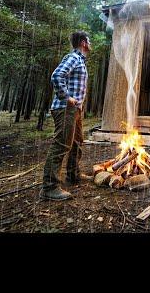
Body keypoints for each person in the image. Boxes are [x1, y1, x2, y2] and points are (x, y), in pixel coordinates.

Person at [40, 31, 94, 201]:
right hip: (65, 108)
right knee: (61, 145)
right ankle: (49, 188)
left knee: (77, 142)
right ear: (84, 42)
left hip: (75, 109)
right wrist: (67, 98)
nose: (90, 43)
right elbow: (56, 76)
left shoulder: (80, 61)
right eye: (89, 41)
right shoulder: (73, 58)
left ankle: (73, 175)